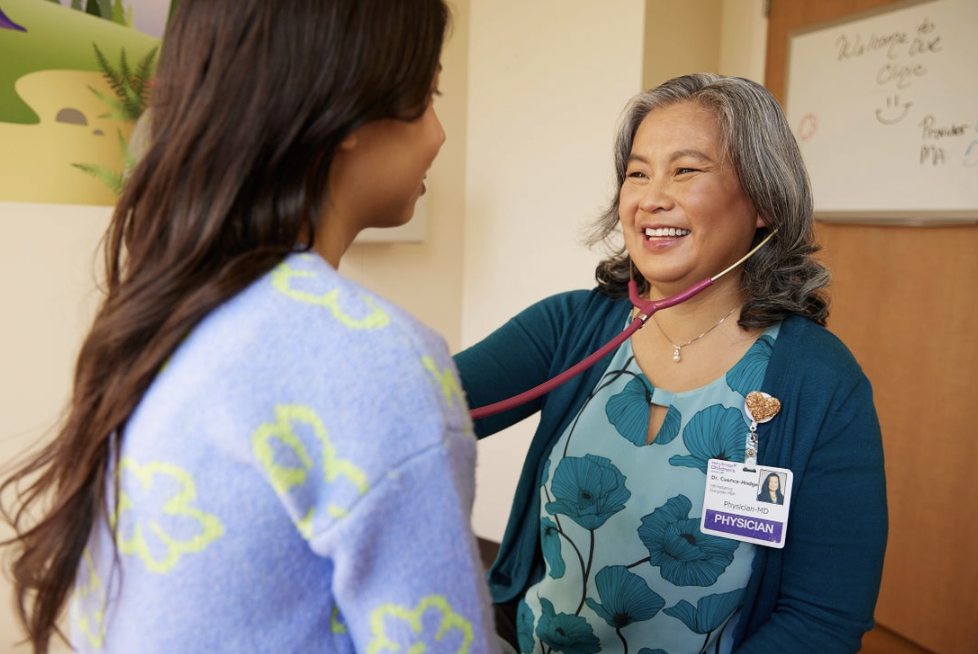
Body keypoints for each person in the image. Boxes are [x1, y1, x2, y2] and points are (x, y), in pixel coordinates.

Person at [0, 1, 499, 653]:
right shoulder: (379, 358)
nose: (437, 134)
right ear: (346, 103)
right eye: (428, 95)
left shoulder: (161, 314)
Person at [455, 74, 887, 654]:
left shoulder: (820, 382)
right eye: (638, 173)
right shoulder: (571, 329)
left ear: (763, 201)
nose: (651, 197)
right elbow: (408, 415)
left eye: (685, 170)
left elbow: (821, 620)